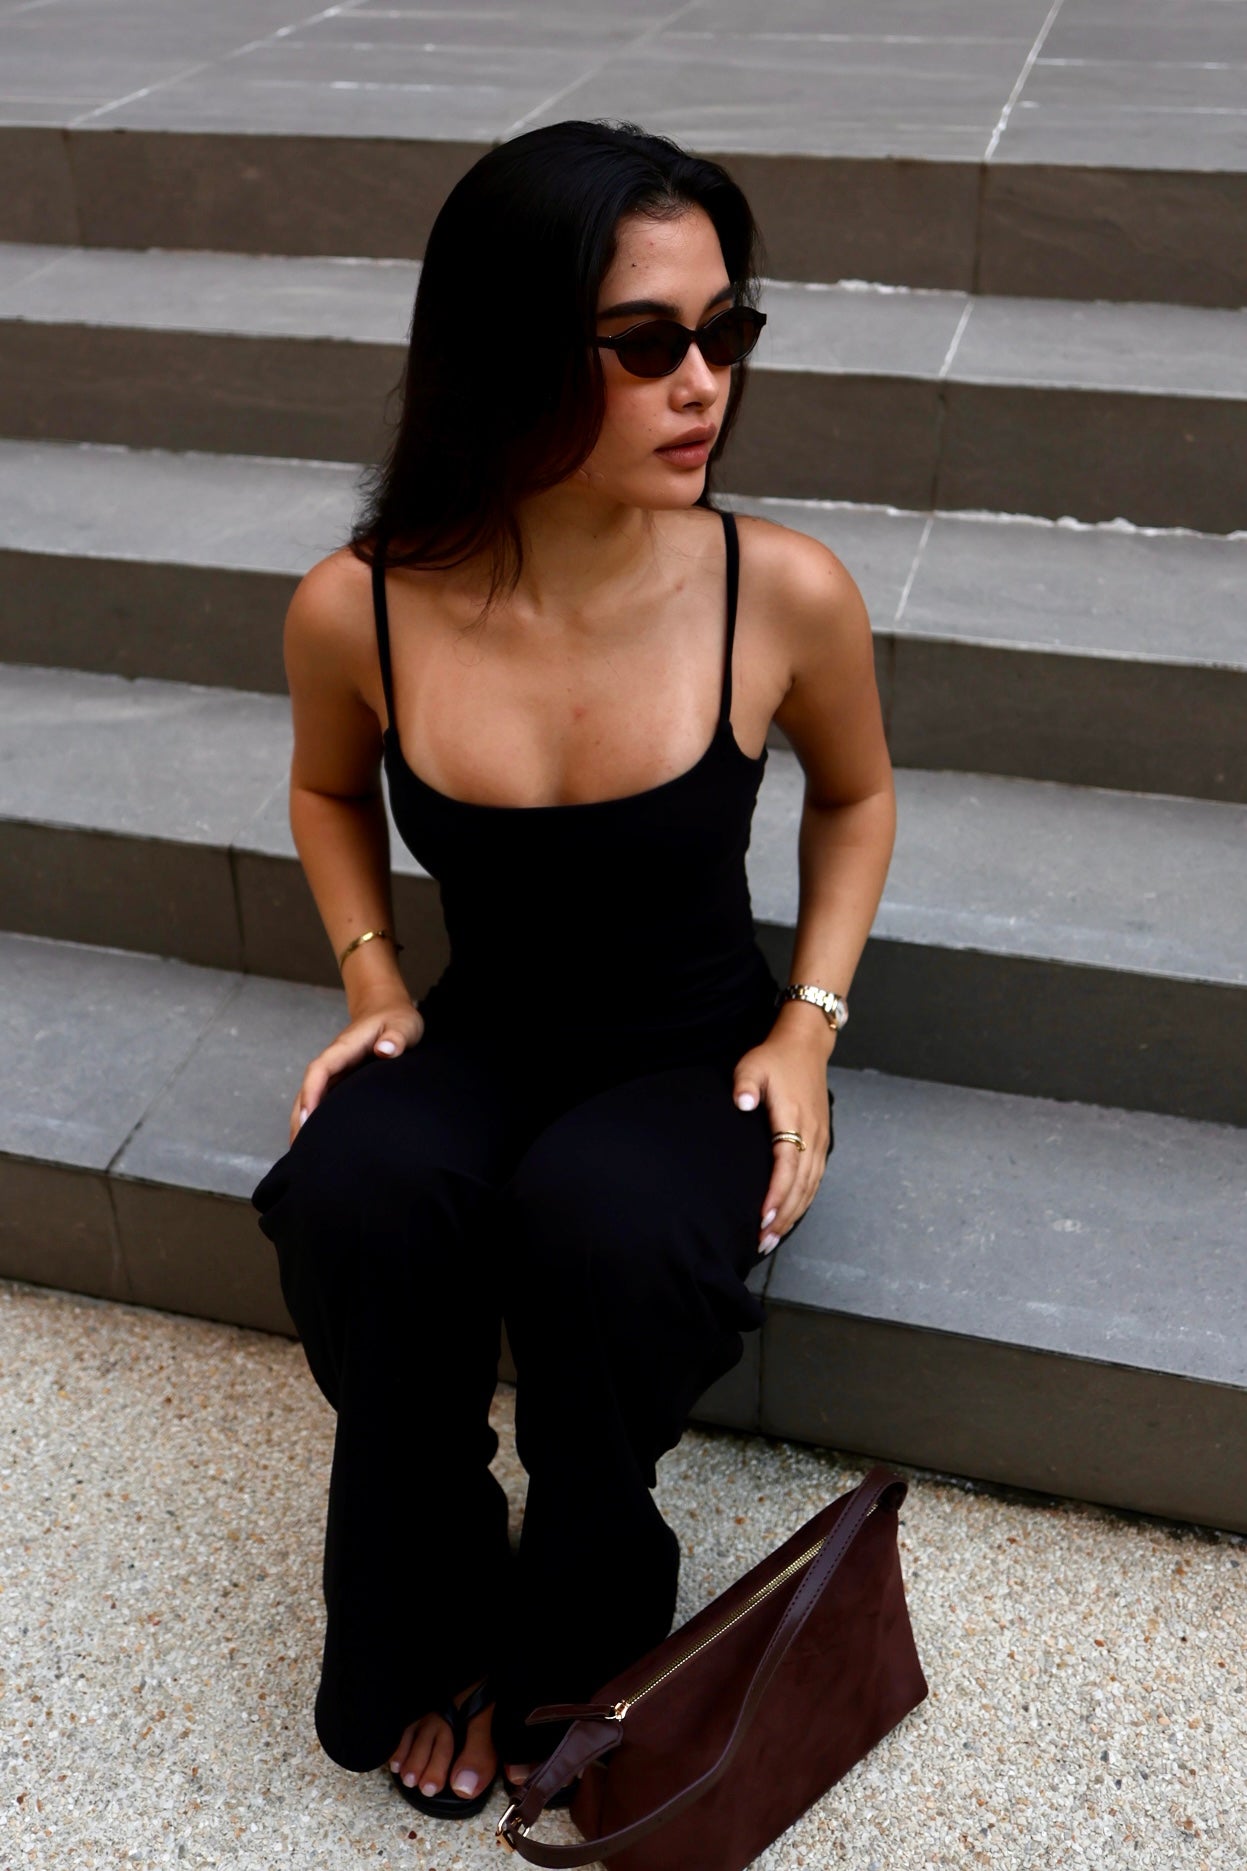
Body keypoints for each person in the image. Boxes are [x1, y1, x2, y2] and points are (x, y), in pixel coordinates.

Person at [249, 117, 896, 1824]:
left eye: (726, 332)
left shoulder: (781, 591)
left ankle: (582, 1637)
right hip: (485, 1032)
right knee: (359, 1192)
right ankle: (437, 1615)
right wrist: (374, 981)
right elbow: (324, 788)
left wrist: (810, 1024)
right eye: (647, 343)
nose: (705, 384)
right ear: (509, 351)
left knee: (598, 1227)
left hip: (693, 1052)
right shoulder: (360, 607)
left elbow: (858, 796)